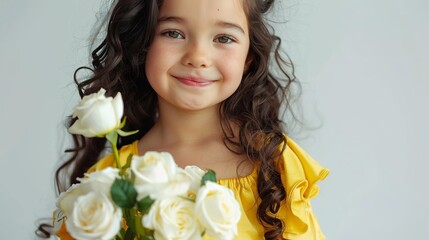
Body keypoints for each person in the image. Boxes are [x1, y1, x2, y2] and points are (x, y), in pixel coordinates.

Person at [41, 0, 330, 239]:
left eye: (224, 38)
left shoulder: (276, 165)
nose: (198, 56)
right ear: (142, 44)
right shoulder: (110, 180)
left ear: (248, 58)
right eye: (174, 33)